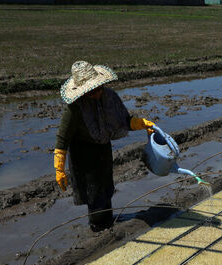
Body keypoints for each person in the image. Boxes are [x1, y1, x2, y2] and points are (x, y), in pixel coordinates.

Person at [53, 61, 155, 232]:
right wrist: (59, 168)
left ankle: (107, 220)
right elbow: (62, 139)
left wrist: (140, 123)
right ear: (83, 91)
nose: (98, 93)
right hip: (84, 155)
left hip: (103, 150)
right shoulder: (74, 109)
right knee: (93, 192)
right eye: (92, 91)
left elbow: (124, 120)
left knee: (106, 187)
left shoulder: (109, 97)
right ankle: (98, 226)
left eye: (99, 88)